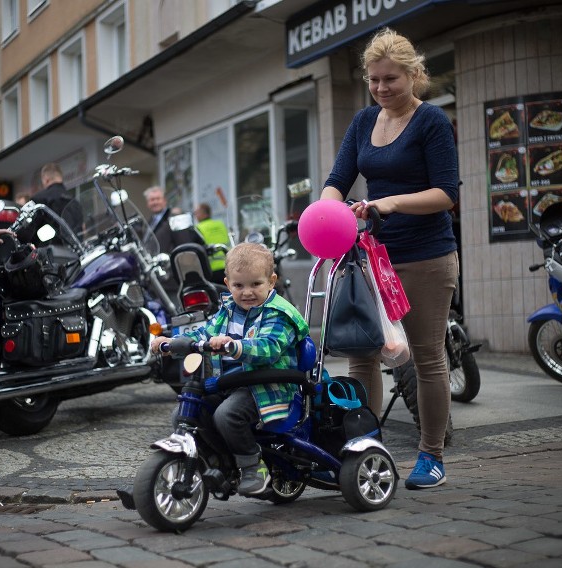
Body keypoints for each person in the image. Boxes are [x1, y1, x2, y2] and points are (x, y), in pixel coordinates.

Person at [319, 28, 459, 490]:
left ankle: (431, 455)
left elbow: (446, 194)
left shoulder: (431, 121)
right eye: (374, 80)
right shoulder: (363, 121)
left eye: (390, 80)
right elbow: (338, 178)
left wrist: (390, 203)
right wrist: (326, 208)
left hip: (425, 257)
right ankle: (367, 449)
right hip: (372, 259)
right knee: (362, 357)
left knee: (426, 359)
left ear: (413, 75)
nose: (381, 89)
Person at [151, 242, 309, 496]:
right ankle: (217, 460)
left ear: (272, 281)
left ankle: (252, 466)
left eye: (255, 284)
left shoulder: (279, 313)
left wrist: (235, 347)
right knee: (184, 412)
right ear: (227, 283)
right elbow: (203, 333)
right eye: (239, 286)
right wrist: (169, 342)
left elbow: (269, 347)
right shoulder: (228, 310)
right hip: (231, 384)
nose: (247, 292)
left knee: (227, 415)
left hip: (268, 387)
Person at [32, 163, 84, 235]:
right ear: (60, 177)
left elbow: (31, 229)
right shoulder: (74, 201)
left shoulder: (39, 199)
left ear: (46, 179)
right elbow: (82, 227)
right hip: (75, 245)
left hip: (49, 245)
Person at [194, 202, 231, 282]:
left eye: (197, 213)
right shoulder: (220, 224)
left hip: (210, 269)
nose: (195, 216)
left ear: (204, 214)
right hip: (228, 265)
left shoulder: (197, 228)